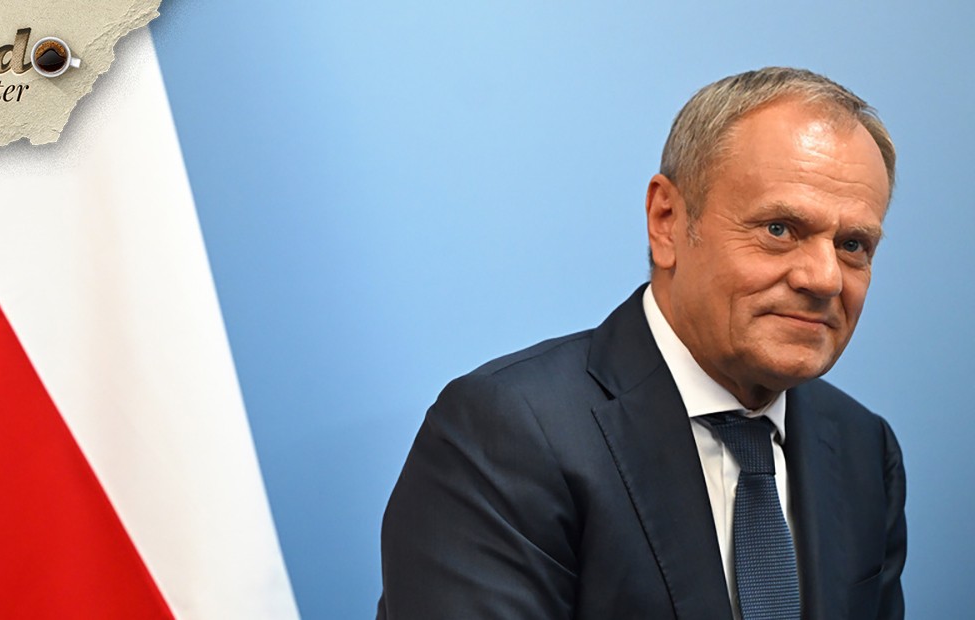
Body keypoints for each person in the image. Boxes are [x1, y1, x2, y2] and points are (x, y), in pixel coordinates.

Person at [377, 67, 905, 620]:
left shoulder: (864, 448)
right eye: (779, 229)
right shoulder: (508, 434)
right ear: (667, 221)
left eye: (853, 244)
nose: (824, 279)